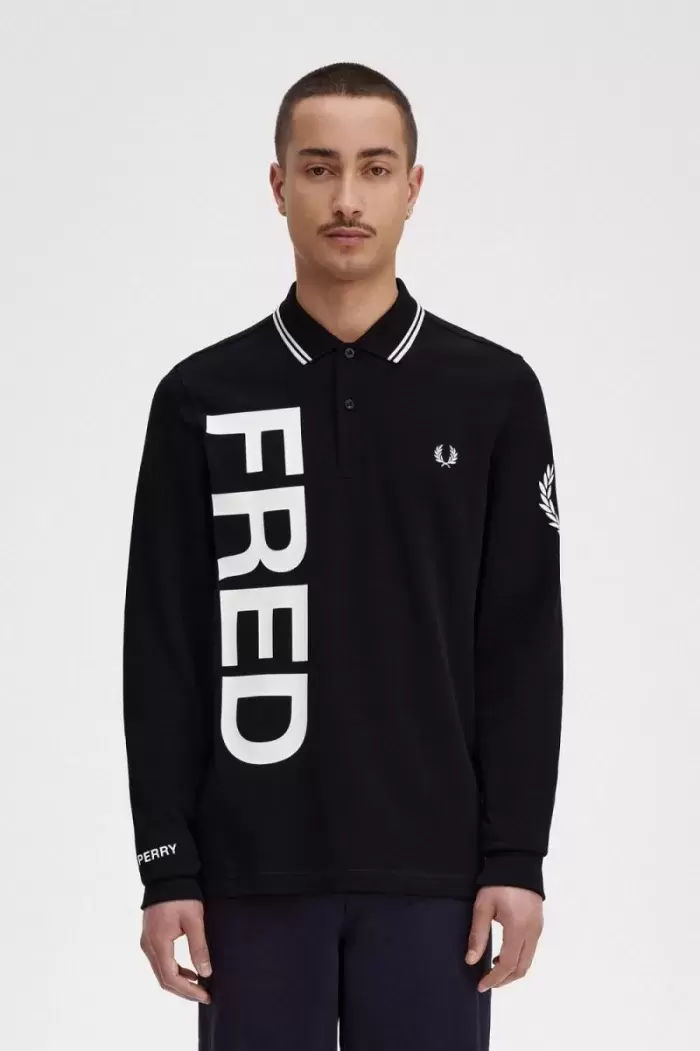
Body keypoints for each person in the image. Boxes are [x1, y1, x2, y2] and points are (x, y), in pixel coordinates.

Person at [122, 61, 564, 1051]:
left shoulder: (492, 393)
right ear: (279, 185)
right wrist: (167, 864)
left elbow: (521, 645)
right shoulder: (202, 398)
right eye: (320, 168)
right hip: (249, 877)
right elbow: (162, 648)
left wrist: (516, 856)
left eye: (375, 168)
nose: (348, 198)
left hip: (435, 880)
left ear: (413, 187)